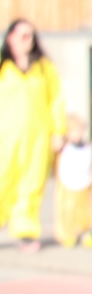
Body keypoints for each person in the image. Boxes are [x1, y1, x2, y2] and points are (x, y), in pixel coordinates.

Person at [0, 19, 65, 254]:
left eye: (31, 36)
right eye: (23, 35)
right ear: (11, 38)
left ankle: (25, 231)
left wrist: (59, 131)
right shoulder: (3, 66)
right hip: (5, 136)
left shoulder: (44, 67)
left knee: (32, 184)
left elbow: (56, 100)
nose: (28, 40)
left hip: (38, 137)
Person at [54, 112, 92, 248]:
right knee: (67, 211)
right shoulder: (62, 150)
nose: (78, 134)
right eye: (73, 131)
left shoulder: (87, 149)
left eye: (80, 131)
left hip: (83, 187)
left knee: (85, 211)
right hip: (67, 188)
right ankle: (68, 235)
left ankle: (86, 233)